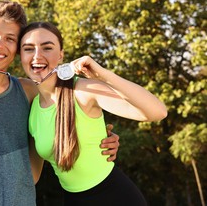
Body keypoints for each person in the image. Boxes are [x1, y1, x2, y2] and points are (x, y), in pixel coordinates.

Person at [0, 0, 120, 205]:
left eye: (9, 38)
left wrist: (103, 139)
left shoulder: (30, 91)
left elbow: (33, 173)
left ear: (17, 49)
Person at [19, 21, 168, 206]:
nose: (37, 56)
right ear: (21, 56)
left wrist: (102, 75)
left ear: (61, 55)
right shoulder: (33, 110)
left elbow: (158, 111)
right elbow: (31, 175)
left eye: (47, 47)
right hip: (73, 200)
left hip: (117, 198)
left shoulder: (82, 90)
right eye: (28, 49)